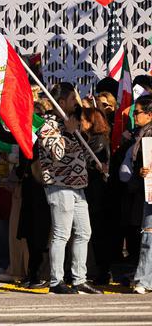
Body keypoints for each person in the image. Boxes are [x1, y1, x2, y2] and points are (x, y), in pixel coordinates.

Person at [37, 83, 100, 294]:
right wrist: (69, 133)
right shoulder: (48, 125)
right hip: (59, 186)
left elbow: (82, 152)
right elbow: (57, 153)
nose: (78, 102)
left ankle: (79, 278)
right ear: (61, 102)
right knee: (61, 234)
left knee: (84, 232)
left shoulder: (73, 122)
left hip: (79, 186)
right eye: (73, 98)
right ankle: (56, 280)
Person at [80, 107, 112, 284]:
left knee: (98, 233)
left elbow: (86, 162)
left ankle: (102, 270)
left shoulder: (98, 141)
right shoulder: (89, 139)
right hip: (92, 191)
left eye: (84, 120)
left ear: (92, 122)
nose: (81, 123)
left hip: (96, 193)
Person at [126, 97, 152, 293]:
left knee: (148, 237)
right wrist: (143, 172)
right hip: (147, 189)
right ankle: (144, 279)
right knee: (148, 236)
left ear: (149, 115)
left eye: (137, 113)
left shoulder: (147, 134)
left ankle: (143, 280)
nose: (133, 116)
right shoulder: (139, 134)